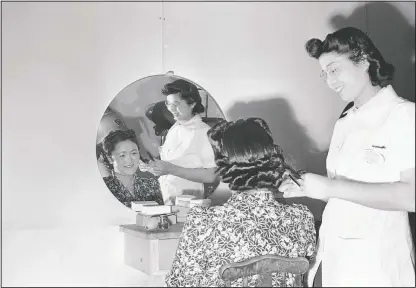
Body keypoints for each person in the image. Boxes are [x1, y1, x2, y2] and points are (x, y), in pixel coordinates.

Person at [279, 27, 415, 287]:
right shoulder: (345, 121)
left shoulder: (405, 115)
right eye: (324, 74)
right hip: (334, 255)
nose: (329, 82)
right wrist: (308, 187)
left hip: (379, 264)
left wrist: (331, 187)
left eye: (334, 69)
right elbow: (342, 192)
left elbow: (412, 197)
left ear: (363, 61)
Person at [165, 118, 316, 287]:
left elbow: (179, 283)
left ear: (224, 169)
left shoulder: (203, 222)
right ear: (272, 161)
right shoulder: (301, 218)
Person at [139, 79, 218, 204]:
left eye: (176, 104)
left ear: (192, 103)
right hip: (167, 195)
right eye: (168, 104)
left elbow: (211, 176)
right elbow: (170, 163)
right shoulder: (176, 127)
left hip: (189, 201)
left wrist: (171, 169)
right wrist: (152, 166)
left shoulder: (204, 132)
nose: (171, 109)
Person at [101, 129, 163, 208]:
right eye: (122, 155)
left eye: (133, 153)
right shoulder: (103, 187)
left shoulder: (152, 184)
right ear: (110, 158)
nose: (129, 160)